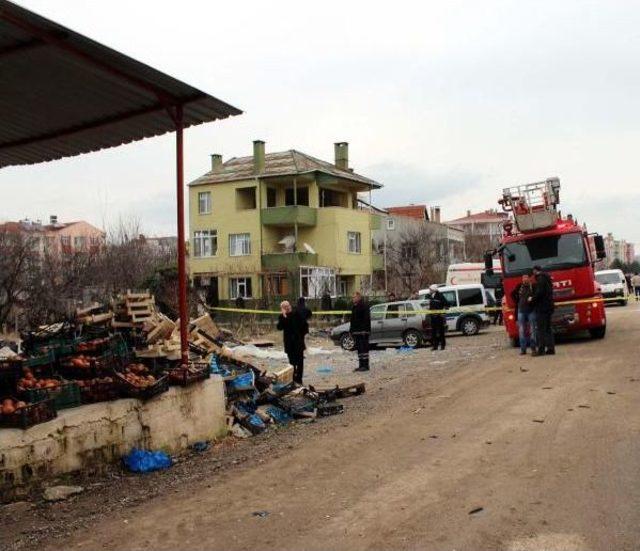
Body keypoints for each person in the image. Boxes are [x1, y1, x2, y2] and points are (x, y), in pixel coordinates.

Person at [276, 300, 305, 384]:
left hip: (298, 342)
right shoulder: (282, 316)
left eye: (288, 306)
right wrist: (284, 315)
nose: (287, 308)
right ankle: (293, 379)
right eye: (285, 307)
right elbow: (279, 327)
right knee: (292, 362)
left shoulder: (296, 314)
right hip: (289, 344)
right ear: (282, 308)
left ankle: (299, 379)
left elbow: (294, 324)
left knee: (300, 362)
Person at [529, 265, 555, 355]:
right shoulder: (547, 278)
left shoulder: (540, 279)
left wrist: (532, 299)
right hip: (549, 306)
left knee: (541, 329)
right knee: (548, 328)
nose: (533, 273)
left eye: (533, 271)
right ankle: (551, 349)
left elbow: (540, 293)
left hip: (542, 308)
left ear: (535, 271)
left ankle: (541, 349)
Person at [511, 273, 537, 355]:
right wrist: (517, 302)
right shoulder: (519, 286)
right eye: (523, 278)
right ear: (522, 279)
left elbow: (537, 296)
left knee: (532, 330)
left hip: (531, 311)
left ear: (529, 278)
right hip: (521, 311)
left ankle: (533, 349)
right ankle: (523, 349)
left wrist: (532, 300)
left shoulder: (533, 287)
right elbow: (512, 294)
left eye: (526, 277)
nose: (525, 279)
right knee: (521, 331)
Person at [349, 291, 371, 372]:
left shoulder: (364, 306)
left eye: (354, 297)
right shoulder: (354, 307)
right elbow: (352, 320)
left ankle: (365, 365)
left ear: (359, 297)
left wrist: (365, 330)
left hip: (363, 332)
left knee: (364, 349)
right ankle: (361, 365)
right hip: (356, 332)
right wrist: (351, 331)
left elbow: (366, 319)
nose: (353, 299)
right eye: (352, 297)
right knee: (359, 350)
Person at [427, 284, 448, 351]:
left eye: (430, 289)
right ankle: (435, 346)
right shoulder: (430, 296)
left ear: (433, 290)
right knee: (434, 332)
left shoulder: (440, 296)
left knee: (441, 332)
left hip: (439, 317)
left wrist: (443, 313)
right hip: (433, 317)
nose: (429, 290)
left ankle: (442, 345)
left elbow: (447, 305)